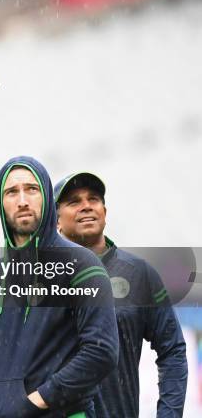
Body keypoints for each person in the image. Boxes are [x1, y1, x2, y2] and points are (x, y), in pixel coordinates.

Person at [0, 156, 119, 417]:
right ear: (0, 203)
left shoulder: (80, 263)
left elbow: (101, 351)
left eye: (31, 189)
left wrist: (35, 402)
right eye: (12, 192)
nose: (22, 200)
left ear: (46, 196)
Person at [54, 171, 188, 417]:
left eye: (93, 199)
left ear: (105, 212)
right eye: (74, 201)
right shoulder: (40, 278)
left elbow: (173, 350)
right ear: (56, 220)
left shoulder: (139, 274)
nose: (86, 207)